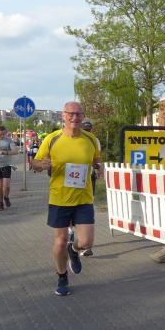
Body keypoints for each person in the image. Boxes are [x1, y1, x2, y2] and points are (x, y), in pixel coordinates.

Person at [31, 102, 102, 296]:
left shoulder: (90, 139)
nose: (74, 118)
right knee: (60, 241)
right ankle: (62, 276)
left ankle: (74, 250)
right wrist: (41, 165)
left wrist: (99, 167)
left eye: (78, 114)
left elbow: (96, 159)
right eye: (71, 114)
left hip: (83, 198)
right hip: (59, 198)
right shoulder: (52, 139)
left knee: (86, 242)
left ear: (83, 116)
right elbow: (35, 163)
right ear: (63, 115)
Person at [79, 121, 101, 257]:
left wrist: (98, 169)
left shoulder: (94, 140)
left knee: (86, 208)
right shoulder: (75, 139)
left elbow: (97, 159)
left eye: (89, 129)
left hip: (88, 178)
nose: (88, 132)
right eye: (85, 129)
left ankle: (86, 245)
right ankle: (72, 236)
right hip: (73, 179)